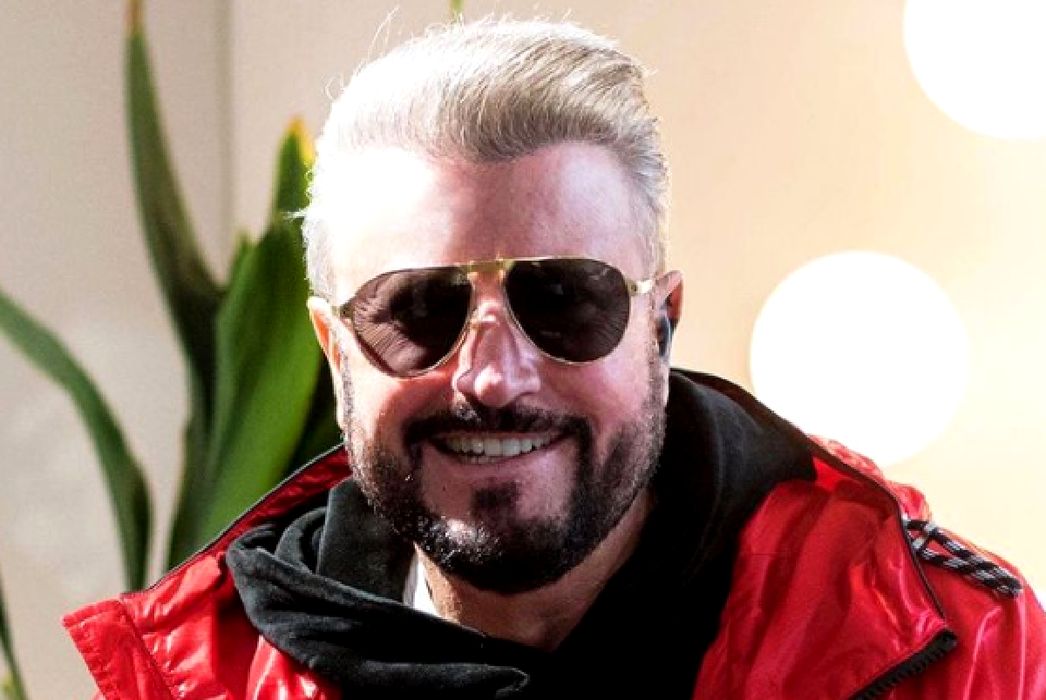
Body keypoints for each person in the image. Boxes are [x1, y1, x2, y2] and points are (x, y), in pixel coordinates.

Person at [64, 18, 1045, 699]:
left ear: (660, 325)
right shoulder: (190, 679)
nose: (492, 377)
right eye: (417, 309)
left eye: (565, 300)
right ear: (336, 353)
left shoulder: (963, 653)